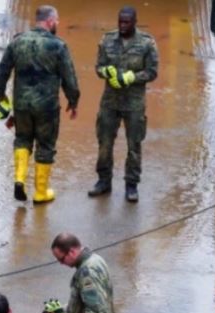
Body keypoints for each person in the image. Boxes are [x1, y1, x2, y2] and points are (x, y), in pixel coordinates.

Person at [0, 5, 80, 204]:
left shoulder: (17, 43)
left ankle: (19, 180)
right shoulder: (58, 46)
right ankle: (40, 193)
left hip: (21, 105)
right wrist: (73, 101)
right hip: (47, 108)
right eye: (56, 20)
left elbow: (0, 76)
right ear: (49, 21)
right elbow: (70, 79)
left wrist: (2, 99)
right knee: (45, 146)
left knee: (22, 139)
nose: (57, 24)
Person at [88, 6, 158, 203]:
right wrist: (106, 72)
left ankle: (131, 185)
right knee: (104, 143)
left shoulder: (146, 43)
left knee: (134, 145)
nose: (122, 25)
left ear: (134, 22)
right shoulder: (108, 40)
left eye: (126, 22)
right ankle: (103, 181)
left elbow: (152, 72)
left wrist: (131, 77)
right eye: (120, 21)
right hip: (110, 102)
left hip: (134, 104)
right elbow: (98, 67)